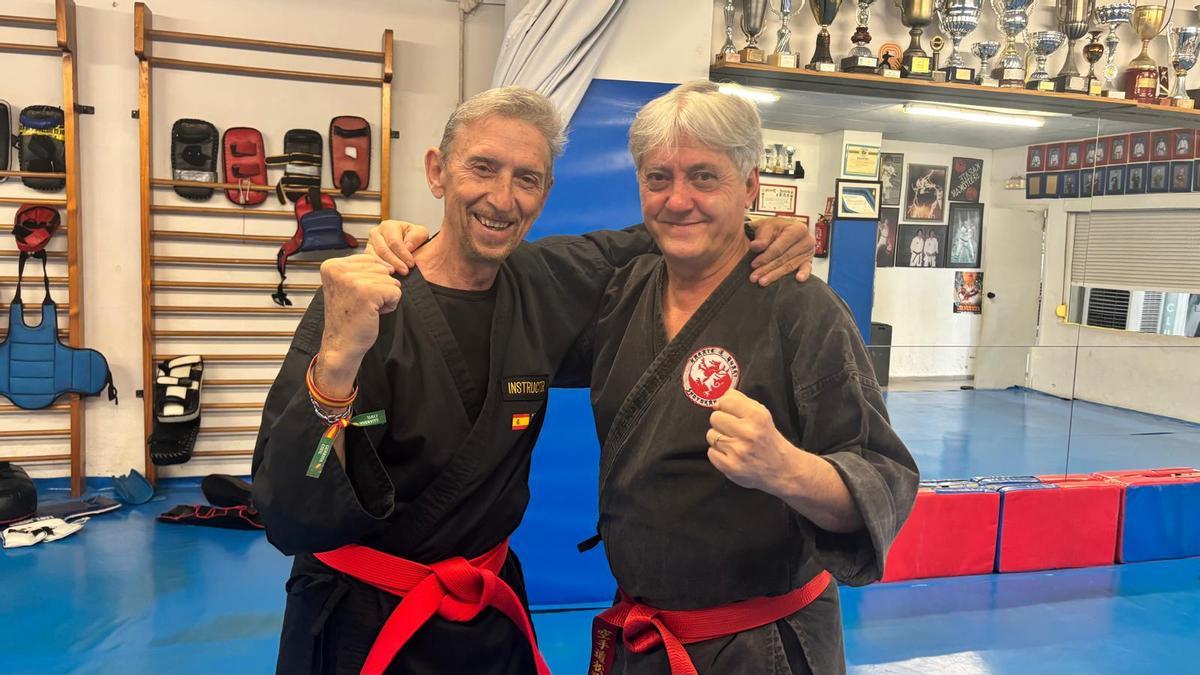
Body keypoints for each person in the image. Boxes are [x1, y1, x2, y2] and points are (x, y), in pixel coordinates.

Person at [251, 86, 814, 675]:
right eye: (482, 168)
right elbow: (289, 513)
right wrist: (337, 360)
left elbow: (668, 223)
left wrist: (761, 227)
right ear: (437, 171)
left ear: (545, 193)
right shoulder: (359, 299)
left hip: (487, 619)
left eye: (527, 178)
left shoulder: (546, 281)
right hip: (360, 624)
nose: (502, 198)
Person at [576, 80, 918, 674]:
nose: (677, 199)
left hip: (761, 647)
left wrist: (787, 470)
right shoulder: (622, 293)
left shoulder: (802, 308)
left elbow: (885, 481)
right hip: (645, 635)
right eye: (657, 178)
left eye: (704, 177)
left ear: (750, 185)